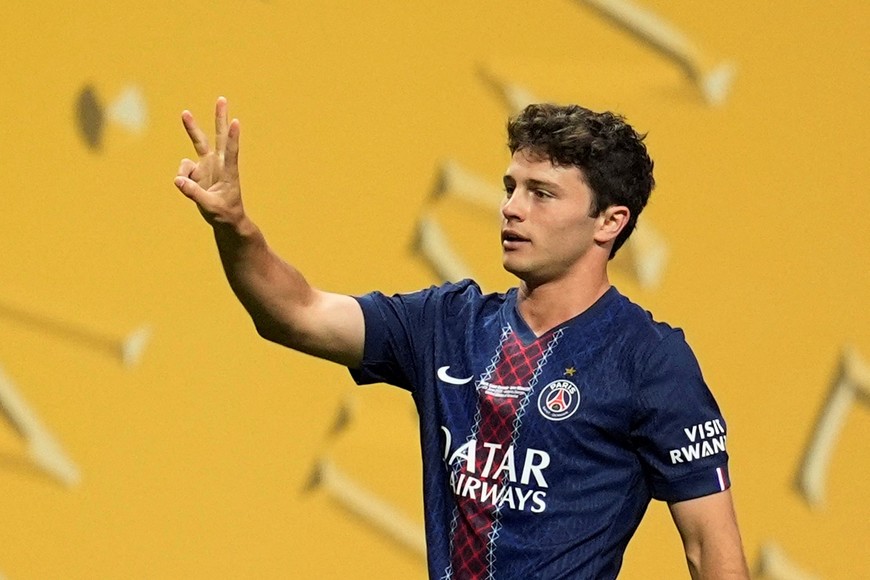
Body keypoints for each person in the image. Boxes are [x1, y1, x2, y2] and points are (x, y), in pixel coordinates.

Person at [174, 97, 750, 579]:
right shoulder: (446, 323)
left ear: (609, 222)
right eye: (510, 187)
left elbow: (711, 552)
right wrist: (236, 228)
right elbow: (296, 313)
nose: (509, 209)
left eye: (541, 193)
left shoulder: (649, 361)